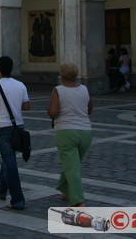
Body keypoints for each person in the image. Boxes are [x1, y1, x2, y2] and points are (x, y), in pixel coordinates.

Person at [0, 55, 30, 211]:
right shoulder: (21, 85)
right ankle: (1, 189)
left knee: (10, 162)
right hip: (18, 127)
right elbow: (27, 107)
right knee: (8, 159)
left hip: (4, 128)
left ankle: (18, 200)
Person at [47, 62, 93, 207]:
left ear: (63, 76)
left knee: (72, 167)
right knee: (73, 163)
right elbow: (89, 109)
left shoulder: (58, 90)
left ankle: (79, 201)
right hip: (85, 132)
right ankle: (64, 188)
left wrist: (49, 111)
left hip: (66, 132)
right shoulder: (84, 89)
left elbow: (53, 112)